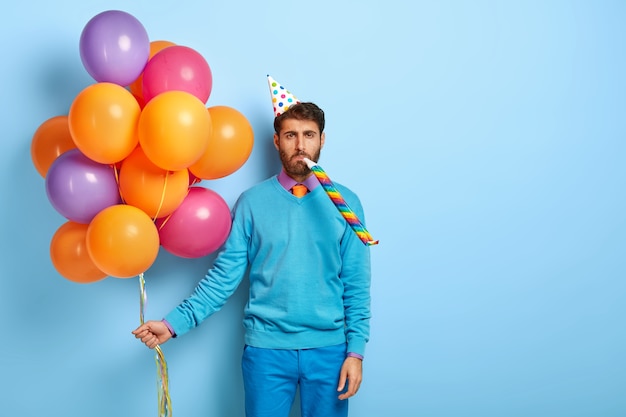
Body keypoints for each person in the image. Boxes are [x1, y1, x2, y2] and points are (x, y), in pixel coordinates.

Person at [133, 86, 373, 417]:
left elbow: (357, 288)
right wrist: (173, 324)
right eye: (290, 135)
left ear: (322, 140)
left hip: (330, 352)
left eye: (309, 135)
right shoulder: (251, 203)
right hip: (266, 352)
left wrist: (355, 353)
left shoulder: (347, 205)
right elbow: (222, 279)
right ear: (277, 142)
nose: (300, 145)